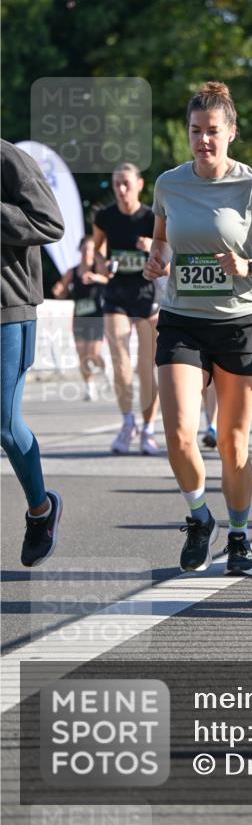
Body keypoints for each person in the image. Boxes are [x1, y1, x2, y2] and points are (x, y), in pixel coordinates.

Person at [143, 81, 252, 574]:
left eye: (213, 131)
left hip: (238, 323)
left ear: (231, 133)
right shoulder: (168, 184)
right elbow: (161, 239)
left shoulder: (251, 186)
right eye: (195, 131)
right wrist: (156, 259)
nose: (203, 140)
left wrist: (251, 266)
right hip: (182, 321)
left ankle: (239, 534)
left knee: (233, 445)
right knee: (179, 434)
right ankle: (199, 517)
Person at [1, 139, 65, 567]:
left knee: (4, 424)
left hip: (8, 310)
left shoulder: (9, 159)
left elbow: (50, 223)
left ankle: (40, 511)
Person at [93, 163, 160, 455]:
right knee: (120, 363)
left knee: (146, 368)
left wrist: (152, 246)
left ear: (139, 185)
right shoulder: (104, 216)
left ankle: (148, 429)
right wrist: (102, 264)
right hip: (116, 295)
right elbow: (97, 250)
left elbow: (169, 253)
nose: (121, 189)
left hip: (147, 296)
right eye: (116, 184)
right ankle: (127, 422)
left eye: (126, 183)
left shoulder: (152, 217)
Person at [52, 235, 108, 400]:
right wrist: (58, 291)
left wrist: (95, 278)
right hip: (79, 317)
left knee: (94, 354)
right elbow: (62, 292)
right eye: (83, 249)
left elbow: (109, 281)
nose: (85, 252)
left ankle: (106, 371)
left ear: (93, 252)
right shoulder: (72, 272)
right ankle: (89, 387)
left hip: (96, 317)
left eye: (89, 249)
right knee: (83, 355)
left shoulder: (98, 269)